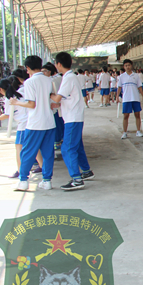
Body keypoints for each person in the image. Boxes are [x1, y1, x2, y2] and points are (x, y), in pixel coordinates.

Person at [11, 56, 56, 191]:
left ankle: (23, 181)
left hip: (35, 123)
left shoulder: (30, 82)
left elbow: (31, 104)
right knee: (48, 154)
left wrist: (16, 102)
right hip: (49, 122)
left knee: (28, 152)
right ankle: (47, 181)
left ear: (28, 68)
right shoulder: (49, 80)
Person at [50, 52, 94, 191]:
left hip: (73, 119)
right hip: (74, 117)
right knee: (77, 146)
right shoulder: (70, 77)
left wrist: (47, 93)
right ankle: (86, 171)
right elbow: (66, 98)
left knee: (67, 148)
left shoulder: (68, 78)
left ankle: (76, 179)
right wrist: (58, 103)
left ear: (58, 64)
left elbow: (57, 98)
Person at [0, 76, 42, 179]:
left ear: (0, 89)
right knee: (33, 147)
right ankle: (42, 166)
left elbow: (7, 115)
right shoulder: (20, 94)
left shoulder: (10, 99)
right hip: (30, 123)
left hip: (22, 126)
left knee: (18, 148)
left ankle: (20, 170)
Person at [118, 59, 143, 139]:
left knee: (137, 114)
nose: (127, 67)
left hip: (135, 98)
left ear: (131, 66)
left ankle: (138, 131)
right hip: (126, 99)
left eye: (129, 65)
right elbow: (119, 87)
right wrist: (117, 97)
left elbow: (139, 87)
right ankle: (124, 132)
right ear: (124, 67)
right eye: (126, 65)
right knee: (126, 115)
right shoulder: (122, 76)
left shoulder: (136, 75)